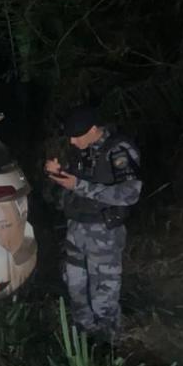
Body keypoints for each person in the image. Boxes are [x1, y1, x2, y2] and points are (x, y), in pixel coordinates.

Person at [44, 106, 142, 341]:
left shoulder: (118, 150)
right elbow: (82, 181)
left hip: (103, 233)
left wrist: (78, 185)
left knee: (103, 292)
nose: (72, 141)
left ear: (93, 130)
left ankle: (109, 342)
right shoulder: (84, 150)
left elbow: (130, 194)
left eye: (76, 136)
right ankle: (85, 340)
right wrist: (60, 174)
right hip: (76, 229)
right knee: (75, 287)